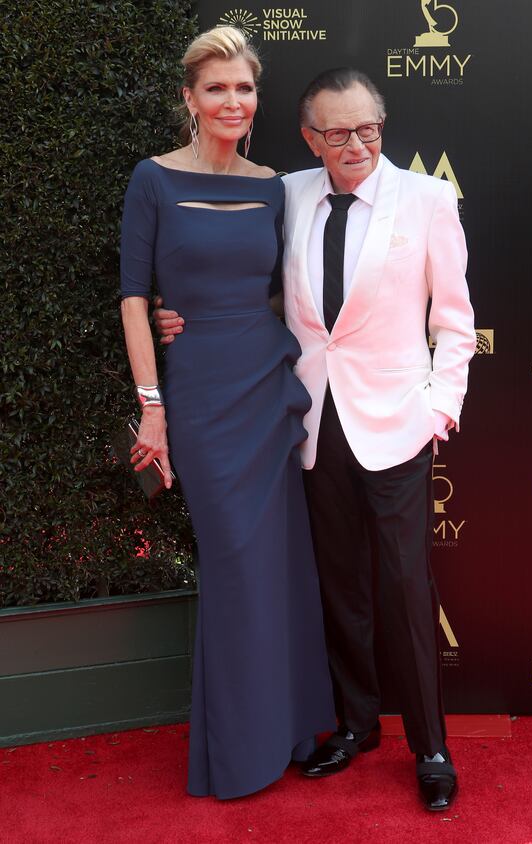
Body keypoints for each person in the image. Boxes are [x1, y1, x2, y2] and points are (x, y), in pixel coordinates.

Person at [155, 66, 476, 811]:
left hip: (396, 425)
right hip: (305, 422)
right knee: (336, 589)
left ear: (381, 125)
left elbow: (456, 322)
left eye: (368, 128)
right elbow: (242, 277)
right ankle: (355, 724)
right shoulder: (287, 192)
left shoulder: (427, 198)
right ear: (310, 138)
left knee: (402, 588)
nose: (357, 143)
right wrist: (181, 314)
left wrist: (438, 409)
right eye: (338, 132)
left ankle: (430, 743)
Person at [119, 27, 335, 800]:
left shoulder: (274, 184)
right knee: (236, 564)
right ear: (190, 98)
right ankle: (238, 752)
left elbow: (282, 289)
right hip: (202, 395)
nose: (233, 102)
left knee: (279, 564)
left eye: (244, 89)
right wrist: (152, 406)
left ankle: (291, 729)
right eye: (217, 89)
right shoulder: (153, 180)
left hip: (263, 384)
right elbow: (136, 299)